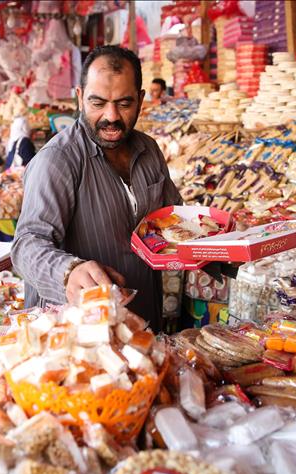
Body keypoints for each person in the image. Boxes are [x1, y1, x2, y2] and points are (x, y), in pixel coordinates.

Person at [11, 45, 182, 332]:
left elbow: (173, 219)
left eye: (124, 104)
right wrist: (68, 272)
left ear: (141, 100)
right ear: (80, 97)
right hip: (78, 335)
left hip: (142, 323)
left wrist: (218, 243)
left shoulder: (149, 150)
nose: (111, 116)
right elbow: (27, 245)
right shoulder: (57, 161)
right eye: (98, 103)